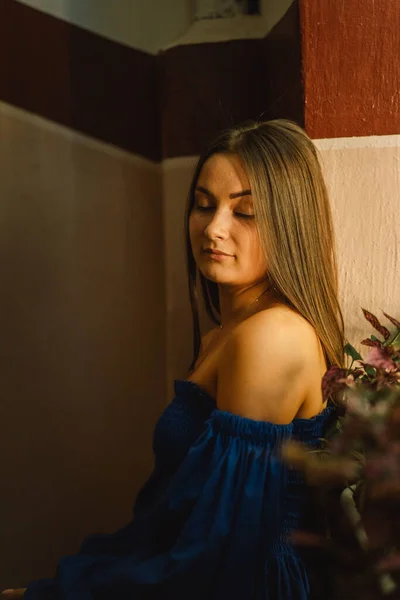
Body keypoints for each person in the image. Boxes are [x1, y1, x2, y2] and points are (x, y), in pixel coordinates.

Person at [2, 119, 344, 599]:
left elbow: (220, 551)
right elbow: (172, 517)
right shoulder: (223, 336)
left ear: (289, 224)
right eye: (204, 205)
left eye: (244, 211)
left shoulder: (272, 337)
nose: (213, 227)